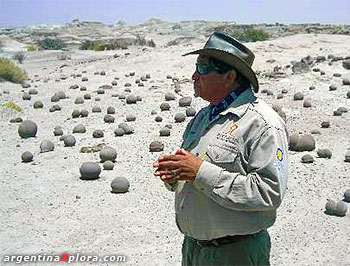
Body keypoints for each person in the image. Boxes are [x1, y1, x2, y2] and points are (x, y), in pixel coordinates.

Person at [153, 31, 289, 266]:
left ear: (229, 76)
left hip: (235, 253)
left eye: (203, 69)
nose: (194, 75)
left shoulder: (262, 123)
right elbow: (194, 170)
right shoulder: (204, 116)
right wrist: (175, 174)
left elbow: (269, 192)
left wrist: (199, 172)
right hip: (194, 249)